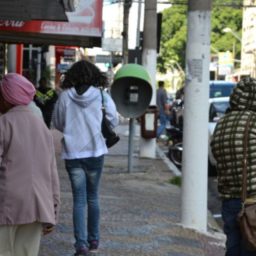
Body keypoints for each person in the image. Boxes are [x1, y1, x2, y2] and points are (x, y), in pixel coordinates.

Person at [53, 59, 119, 256]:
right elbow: (114, 120)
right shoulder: (102, 96)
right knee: (93, 197)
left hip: (73, 153)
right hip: (96, 152)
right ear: (94, 76)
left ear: (72, 76)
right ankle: (94, 241)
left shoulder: (64, 97)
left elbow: (57, 123)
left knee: (79, 200)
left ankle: (80, 245)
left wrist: (73, 130)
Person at [0, 73, 60, 256]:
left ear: (7, 97)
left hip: (7, 205)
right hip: (37, 206)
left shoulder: (3, 123)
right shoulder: (41, 126)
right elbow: (51, 171)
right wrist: (53, 209)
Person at [211, 77, 256, 256]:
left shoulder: (222, 123)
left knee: (234, 248)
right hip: (253, 200)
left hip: (229, 199)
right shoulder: (253, 121)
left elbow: (215, 158)